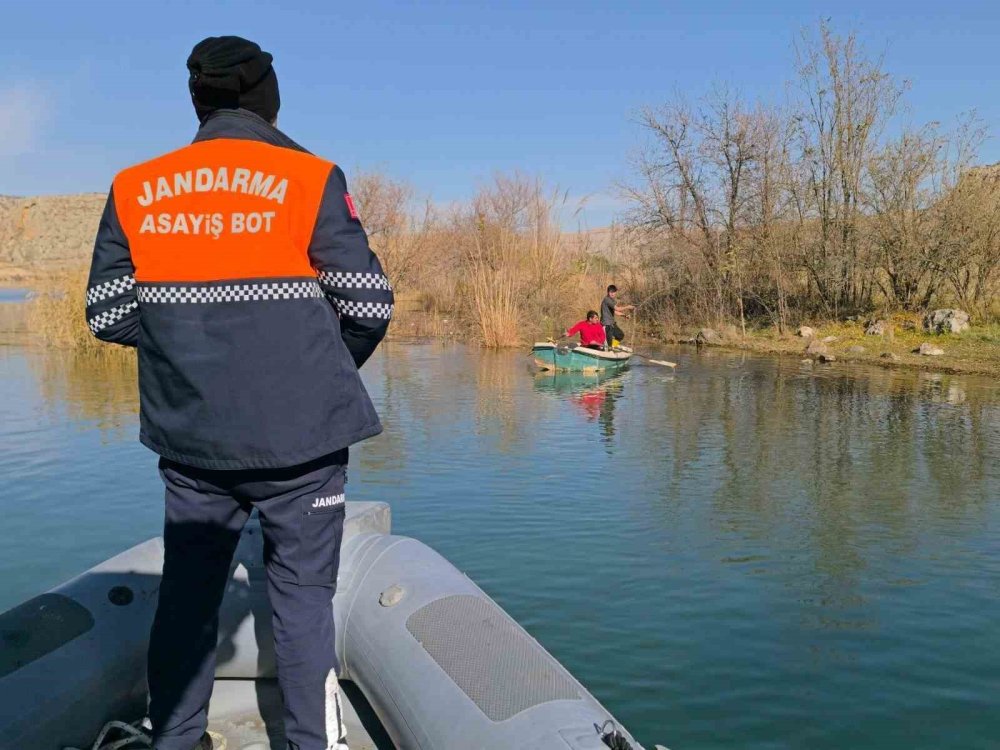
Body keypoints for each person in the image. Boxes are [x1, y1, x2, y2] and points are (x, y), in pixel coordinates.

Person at [85, 36, 393, 750]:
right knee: (303, 603)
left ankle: (177, 740)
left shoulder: (135, 188)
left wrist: (192, 359)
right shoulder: (309, 178)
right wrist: (309, 371)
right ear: (267, 98)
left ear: (197, 101)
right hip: (304, 446)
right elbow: (367, 306)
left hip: (192, 446)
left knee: (188, 603)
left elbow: (106, 314)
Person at [600, 284, 634, 349]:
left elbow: (615, 312)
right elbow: (617, 309)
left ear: (616, 292)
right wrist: (627, 307)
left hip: (612, 324)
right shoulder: (607, 300)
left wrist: (624, 316)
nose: (612, 294)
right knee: (608, 344)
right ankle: (609, 349)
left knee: (620, 335)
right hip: (607, 325)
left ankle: (612, 346)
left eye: (614, 292)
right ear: (608, 292)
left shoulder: (612, 300)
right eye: (611, 292)